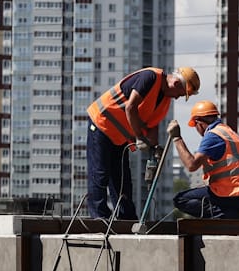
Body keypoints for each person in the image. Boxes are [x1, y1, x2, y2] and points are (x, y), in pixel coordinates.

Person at [86, 66, 200, 220]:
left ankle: (126, 218)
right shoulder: (149, 78)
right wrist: (139, 137)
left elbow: (152, 126)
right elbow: (130, 107)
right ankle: (99, 217)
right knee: (100, 174)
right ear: (176, 84)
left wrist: (153, 149)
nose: (178, 98)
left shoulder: (165, 101)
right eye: (180, 94)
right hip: (102, 124)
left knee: (122, 180)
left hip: (118, 137)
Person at [167, 100, 239, 219]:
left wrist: (177, 138)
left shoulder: (213, 135)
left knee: (181, 199)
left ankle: (231, 216)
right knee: (201, 194)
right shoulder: (229, 133)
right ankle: (235, 215)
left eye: (195, 126)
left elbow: (191, 165)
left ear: (198, 122)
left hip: (233, 195)